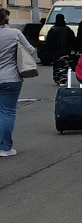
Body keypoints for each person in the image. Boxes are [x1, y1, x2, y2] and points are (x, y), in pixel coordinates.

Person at [0, 8, 40, 157]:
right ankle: (4, 147)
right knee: (7, 112)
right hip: (11, 78)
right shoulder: (15, 34)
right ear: (5, 19)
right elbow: (30, 51)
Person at [43, 14, 76, 83]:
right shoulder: (68, 30)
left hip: (55, 51)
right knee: (64, 65)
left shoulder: (52, 29)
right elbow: (72, 40)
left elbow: (48, 41)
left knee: (56, 64)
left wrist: (48, 50)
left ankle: (57, 77)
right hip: (65, 51)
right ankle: (62, 78)